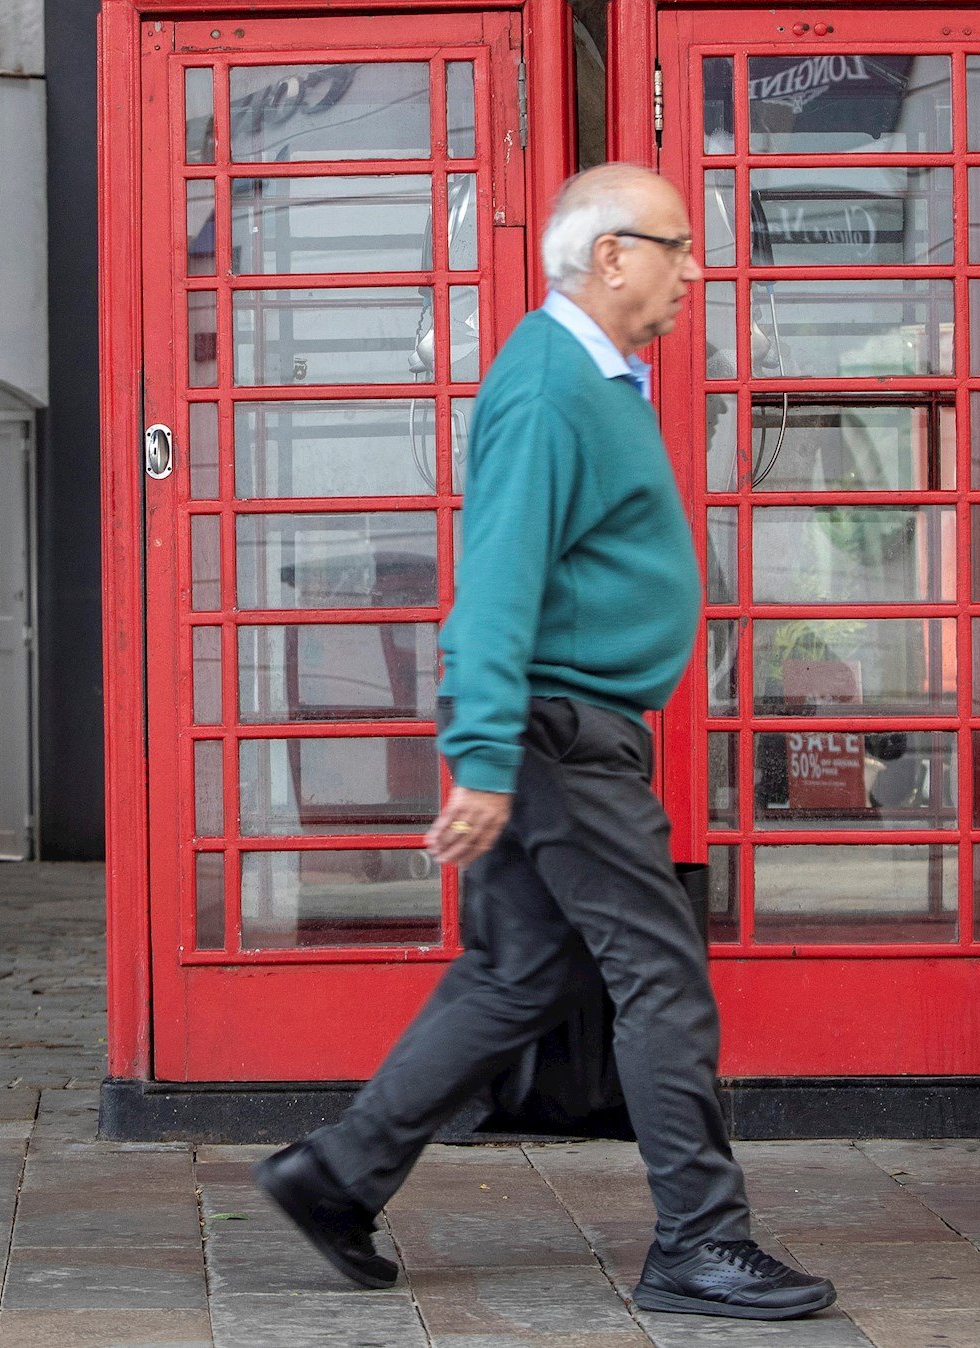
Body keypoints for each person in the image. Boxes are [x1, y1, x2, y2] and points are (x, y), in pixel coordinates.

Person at [253, 164, 837, 1322]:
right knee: (662, 982)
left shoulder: (599, 379)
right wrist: (478, 754)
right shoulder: (548, 384)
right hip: (560, 738)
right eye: (675, 245)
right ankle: (699, 1241)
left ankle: (336, 1176)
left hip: (567, 730)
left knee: (517, 974)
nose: (695, 266)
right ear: (609, 254)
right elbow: (497, 579)